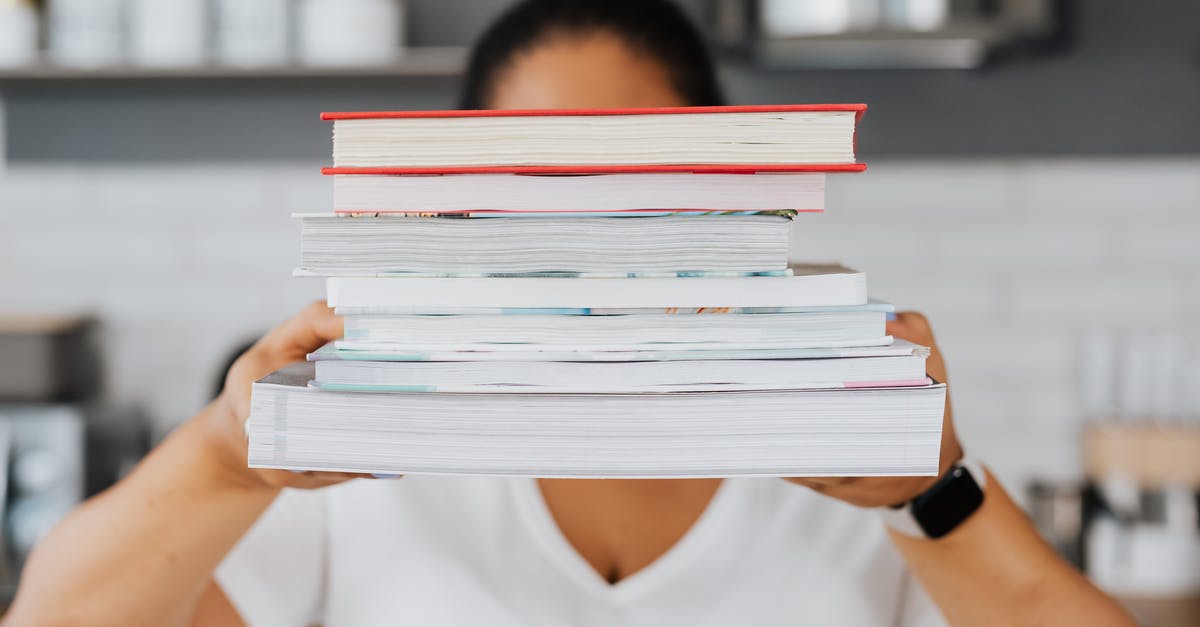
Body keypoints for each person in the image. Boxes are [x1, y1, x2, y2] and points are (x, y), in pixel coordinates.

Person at [5, 1, 1135, 625]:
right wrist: (230, 451)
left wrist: (934, 492)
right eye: (536, 191)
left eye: (633, 184)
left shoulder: (847, 458)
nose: (587, 241)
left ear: (729, 185)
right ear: (454, 201)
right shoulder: (357, 459)